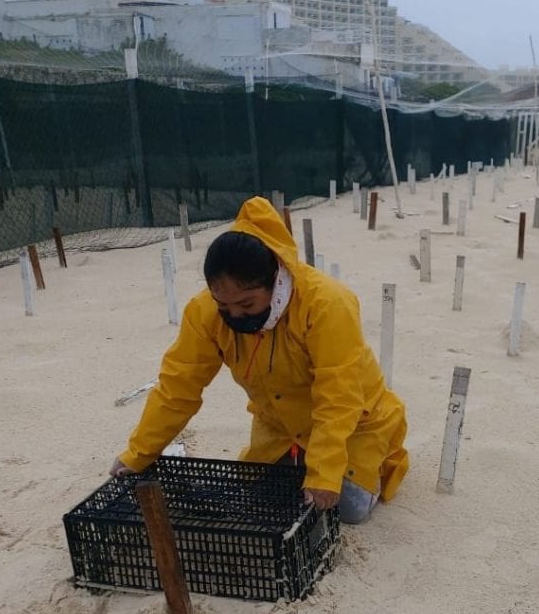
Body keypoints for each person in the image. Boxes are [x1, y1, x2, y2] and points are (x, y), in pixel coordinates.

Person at [108, 197, 409, 524]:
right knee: (261, 500)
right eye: (224, 306)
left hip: (356, 423)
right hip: (279, 425)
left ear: (275, 279)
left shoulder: (326, 304)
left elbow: (338, 397)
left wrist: (324, 472)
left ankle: (381, 455)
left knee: (346, 509)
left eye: (247, 304)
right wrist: (138, 454)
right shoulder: (204, 313)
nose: (235, 315)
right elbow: (177, 388)